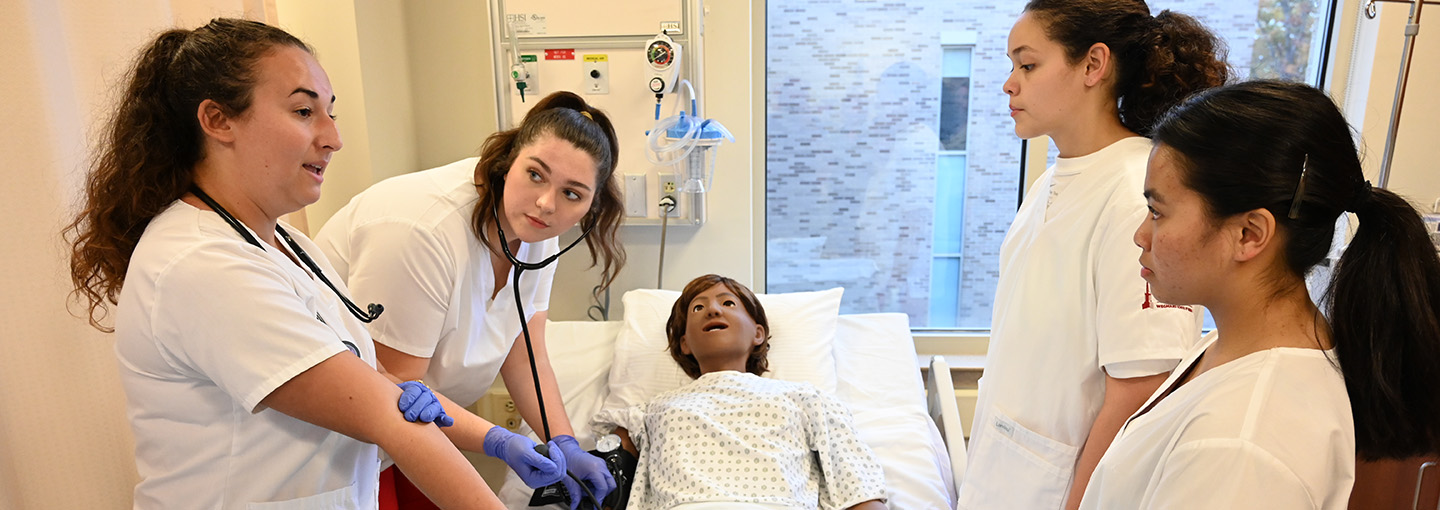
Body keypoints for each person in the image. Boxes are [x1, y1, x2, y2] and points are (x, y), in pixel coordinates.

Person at [63, 18, 502, 509]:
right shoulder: (202, 263)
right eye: (302, 111)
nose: (333, 137)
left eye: (330, 114)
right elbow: (385, 416)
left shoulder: (287, 244)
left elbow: (373, 384)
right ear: (218, 120)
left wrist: (501, 442)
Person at [1079, 80, 1440, 508]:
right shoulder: (1234, 347)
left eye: (1158, 212)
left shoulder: (1240, 444)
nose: (1141, 235)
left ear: (1249, 235)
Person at [958, 2, 1230, 509]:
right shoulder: (1051, 182)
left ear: (1093, 64)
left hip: (1063, 492)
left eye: (1028, 64)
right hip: (1008, 474)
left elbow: (1141, 387)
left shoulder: (1135, 192)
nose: (1009, 84)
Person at [314, 90, 626, 509]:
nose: (546, 203)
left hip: (419, 429)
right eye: (535, 174)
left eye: (573, 193)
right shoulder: (420, 231)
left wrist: (564, 442)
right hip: (341, 435)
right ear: (508, 160)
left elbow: (525, 350)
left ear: (591, 204)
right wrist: (498, 441)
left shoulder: (536, 233)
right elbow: (396, 388)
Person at [593, 274, 889, 510]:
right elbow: (606, 488)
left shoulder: (805, 400)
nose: (712, 309)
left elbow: (858, 489)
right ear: (684, 344)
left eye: (728, 304)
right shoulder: (647, 412)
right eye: (698, 307)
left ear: (758, 333)